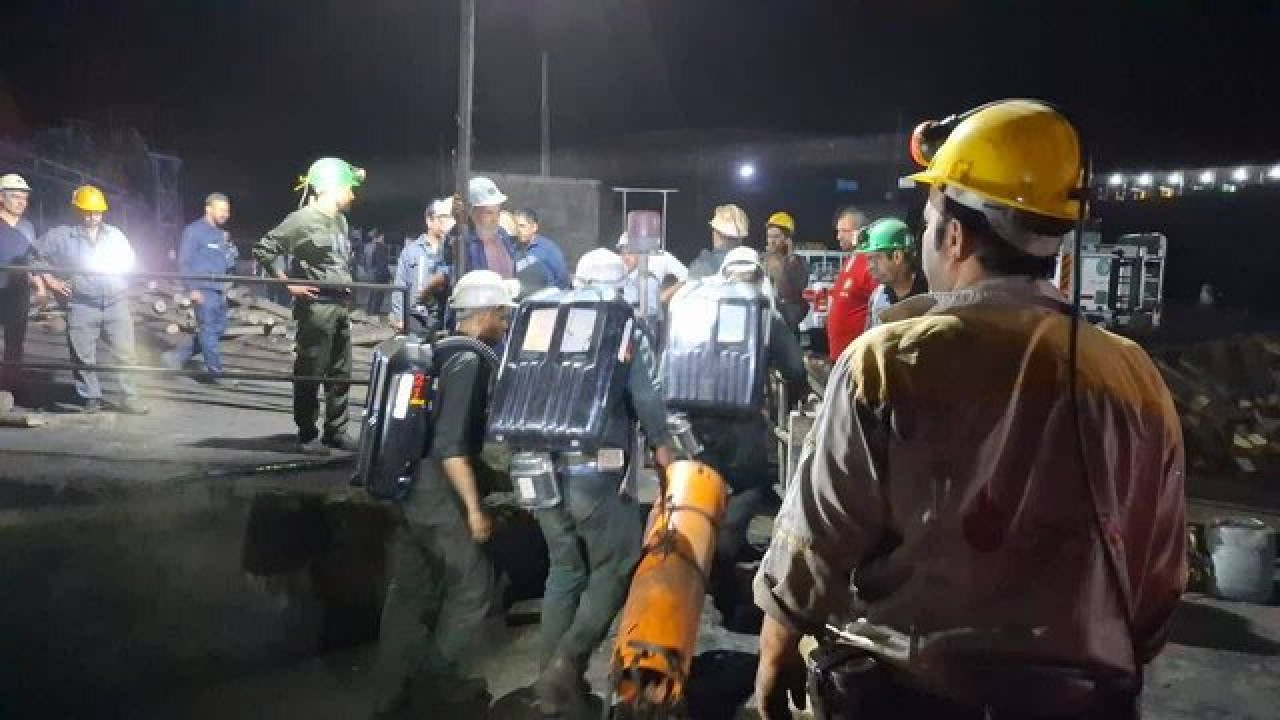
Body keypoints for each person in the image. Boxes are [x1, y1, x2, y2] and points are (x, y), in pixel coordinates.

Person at [753, 100, 1187, 720]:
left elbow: (818, 534)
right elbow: (1159, 573)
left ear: (954, 235)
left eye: (930, 218)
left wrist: (777, 647)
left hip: (910, 696)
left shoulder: (887, 362)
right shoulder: (1134, 377)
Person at [527, 248, 676, 716]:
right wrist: (664, 450)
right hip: (593, 469)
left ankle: (549, 686)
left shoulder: (543, 320)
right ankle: (566, 663)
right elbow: (646, 396)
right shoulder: (619, 324)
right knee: (616, 563)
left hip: (536, 465)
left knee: (565, 568)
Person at [369, 270, 515, 717]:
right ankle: (438, 685)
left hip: (403, 480)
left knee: (409, 590)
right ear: (485, 315)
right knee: (473, 585)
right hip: (436, 486)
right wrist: (474, 510)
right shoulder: (469, 361)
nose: (505, 324)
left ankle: (389, 692)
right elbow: (451, 447)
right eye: (502, 315)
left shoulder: (436, 347)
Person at [671, 246, 806, 632]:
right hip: (742, 429)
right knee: (745, 494)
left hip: (691, 426)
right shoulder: (764, 315)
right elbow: (795, 368)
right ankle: (725, 586)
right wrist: (793, 396)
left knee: (697, 502)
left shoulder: (694, 308)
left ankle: (694, 582)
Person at [252, 157, 363, 453]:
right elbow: (264, 249)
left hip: (339, 305)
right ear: (331, 187)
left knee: (341, 373)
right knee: (310, 371)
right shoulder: (301, 220)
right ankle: (307, 434)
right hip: (316, 308)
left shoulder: (340, 221)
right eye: (348, 188)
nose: (352, 195)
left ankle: (336, 431)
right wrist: (288, 283)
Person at [35, 185, 147, 414]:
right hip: (82, 304)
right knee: (83, 355)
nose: (93, 216)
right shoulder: (63, 236)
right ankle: (90, 397)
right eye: (87, 212)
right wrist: (51, 281)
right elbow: (34, 255)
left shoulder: (115, 235)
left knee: (126, 353)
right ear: (77, 210)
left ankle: (130, 398)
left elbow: (130, 260)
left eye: (97, 212)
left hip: (116, 303)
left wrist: (125, 278)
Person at [163, 193, 238, 385]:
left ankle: (175, 357)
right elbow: (184, 262)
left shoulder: (221, 234)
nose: (225, 214)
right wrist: (192, 288)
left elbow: (228, 262)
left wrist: (230, 250)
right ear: (208, 209)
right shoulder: (193, 231)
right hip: (203, 289)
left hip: (219, 290)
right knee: (208, 330)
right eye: (221, 210)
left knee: (218, 329)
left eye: (227, 210)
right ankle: (216, 373)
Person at [0, 174, 44, 393]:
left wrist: (40, 285)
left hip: (18, 293)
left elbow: (32, 259)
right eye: (16, 197)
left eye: (24, 198)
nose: (22, 202)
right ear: (1, 197)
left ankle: (10, 386)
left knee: (15, 342)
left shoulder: (28, 227)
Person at [391, 197, 455, 336]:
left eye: (450, 217)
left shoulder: (453, 250)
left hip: (445, 320)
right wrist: (400, 319)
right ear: (429, 220)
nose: (447, 222)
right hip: (417, 319)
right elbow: (400, 287)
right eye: (442, 217)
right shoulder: (411, 251)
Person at [857, 217, 928, 331]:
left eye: (876, 258)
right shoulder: (877, 298)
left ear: (897, 257)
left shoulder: (932, 295)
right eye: (869, 259)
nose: (870, 267)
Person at [825, 206, 876, 360]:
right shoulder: (850, 260)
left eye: (844, 231)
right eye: (838, 231)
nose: (838, 237)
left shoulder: (870, 264)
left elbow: (879, 308)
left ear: (860, 233)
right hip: (841, 355)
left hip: (857, 358)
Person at [763, 211, 811, 333]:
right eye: (769, 236)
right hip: (767, 321)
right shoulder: (763, 260)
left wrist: (789, 258)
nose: (771, 241)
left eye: (776, 236)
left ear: (787, 239)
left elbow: (800, 285)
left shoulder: (797, 262)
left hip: (788, 324)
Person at [462, 177, 518, 279]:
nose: (495, 219)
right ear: (471, 212)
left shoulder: (502, 234)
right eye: (489, 213)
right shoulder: (462, 240)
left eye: (498, 212)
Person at [512, 208, 570, 296]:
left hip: (544, 300)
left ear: (534, 227)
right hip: (519, 300)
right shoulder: (511, 248)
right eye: (516, 226)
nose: (518, 230)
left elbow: (563, 279)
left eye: (522, 226)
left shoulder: (548, 249)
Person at [685, 203, 749, 281]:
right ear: (741, 238)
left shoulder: (703, 265)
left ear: (716, 233)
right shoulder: (755, 265)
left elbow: (691, 284)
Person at [363, 229, 392, 315]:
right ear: (380, 237)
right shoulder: (381, 247)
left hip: (370, 273)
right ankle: (374, 313)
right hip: (379, 275)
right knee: (379, 296)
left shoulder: (367, 247)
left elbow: (364, 262)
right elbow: (382, 264)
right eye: (382, 237)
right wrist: (388, 276)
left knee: (372, 294)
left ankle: (369, 312)